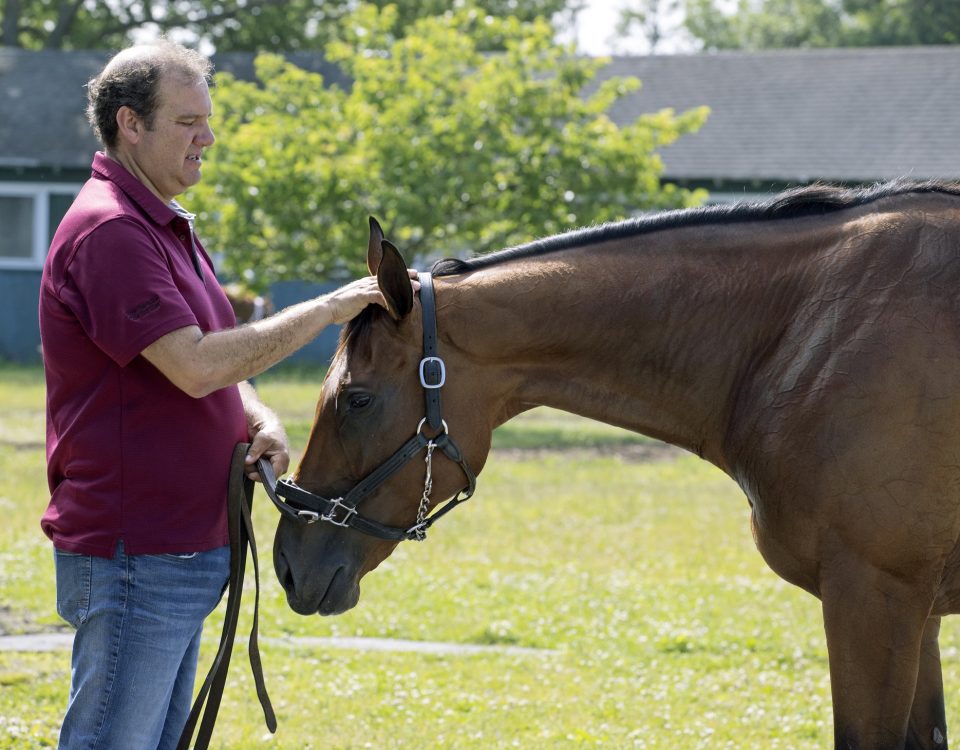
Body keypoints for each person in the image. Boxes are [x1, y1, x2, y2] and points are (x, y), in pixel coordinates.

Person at [38, 39, 414, 750]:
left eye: (206, 120)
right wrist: (327, 309)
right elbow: (194, 365)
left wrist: (258, 416)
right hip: (136, 554)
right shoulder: (112, 232)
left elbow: (213, 368)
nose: (207, 137)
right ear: (131, 124)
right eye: (187, 122)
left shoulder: (163, 228)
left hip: (171, 549)